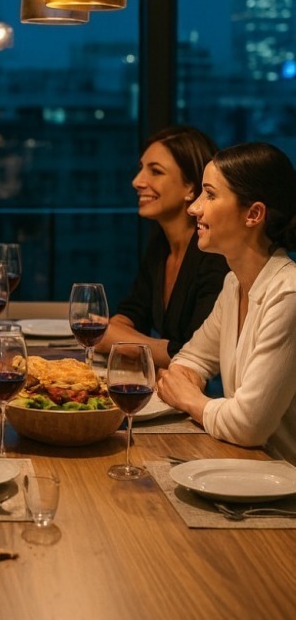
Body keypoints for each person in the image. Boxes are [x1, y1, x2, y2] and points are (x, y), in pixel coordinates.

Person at [157, 142, 296, 462]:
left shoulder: (287, 296)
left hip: (282, 482)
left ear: (254, 214)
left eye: (209, 194)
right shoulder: (234, 284)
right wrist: (186, 380)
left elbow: (249, 426)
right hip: (248, 468)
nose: (194, 208)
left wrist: (191, 399)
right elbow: (192, 358)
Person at [96, 126, 229, 368]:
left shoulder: (216, 256)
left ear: (191, 187)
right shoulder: (161, 244)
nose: (137, 181)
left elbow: (195, 353)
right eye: (141, 169)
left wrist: (120, 341)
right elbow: (134, 311)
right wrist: (119, 332)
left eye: (155, 171)